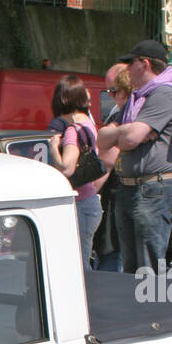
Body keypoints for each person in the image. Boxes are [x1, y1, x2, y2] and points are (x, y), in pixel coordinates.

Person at [95, 40, 172, 274]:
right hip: (130, 188)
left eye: (131, 63)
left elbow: (129, 140)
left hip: (152, 190)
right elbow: (101, 138)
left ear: (145, 63)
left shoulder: (164, 93)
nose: (127, 69)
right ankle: (134, 309)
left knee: (148, 266)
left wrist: (122, 133)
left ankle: (150, 310)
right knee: (131, 267)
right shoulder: (138, 98)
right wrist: (127, 130)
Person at [47, 76, 109, 269]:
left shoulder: (73, 131)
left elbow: (67, 167)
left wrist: (53, 148)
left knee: (78, 265)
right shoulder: (89, 125)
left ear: (63, 100)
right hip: (90, 202)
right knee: (82, 258)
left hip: (81, 204)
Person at [93, 63, 131, 272]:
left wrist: (86, 194)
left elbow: (107, 162)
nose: (109, 96)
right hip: (125, 200)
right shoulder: (129, 113)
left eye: (112, 91)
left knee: (111, 260)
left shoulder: (121, 116)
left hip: (116, 200)